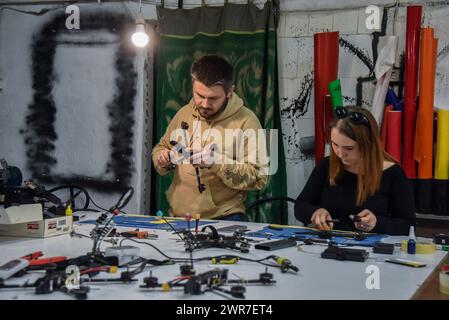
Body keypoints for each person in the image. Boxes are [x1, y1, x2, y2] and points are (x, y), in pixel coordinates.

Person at [152, 54, 268, 221]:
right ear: (193, 86)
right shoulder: (184, 113)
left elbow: (259, 177)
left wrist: (216, 162)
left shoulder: (247, 122)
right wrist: (162, 158)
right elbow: (160, 148)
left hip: (224, 219)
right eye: (200, 95)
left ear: (230, 92)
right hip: (178, 217)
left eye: (213, 98)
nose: (205, 104)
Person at [294, 106, 415, 235]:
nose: (340, 154)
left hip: (373, 249)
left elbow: (408, 226)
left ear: (368, 145)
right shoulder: (327, 165)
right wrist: (315, 212)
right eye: (335, 144)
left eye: (349, 148)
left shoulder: (393, 173)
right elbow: (300, 207)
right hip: (328, 244)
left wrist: (377, 223)